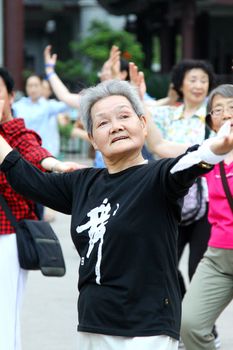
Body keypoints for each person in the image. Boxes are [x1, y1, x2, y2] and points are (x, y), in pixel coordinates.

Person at [0, 79, 232, 350]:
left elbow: (190, 162)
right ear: (92, 140)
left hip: (147, 330)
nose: (116, 126)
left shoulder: (158, 177)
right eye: (102, 123)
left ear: (143, 124)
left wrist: (216, 148)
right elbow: (25, 177)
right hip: (93, 325)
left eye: (124, 116)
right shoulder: (82, 183)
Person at [0, 67, 82, 350]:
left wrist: (58, 166)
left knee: (3, 315)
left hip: (6, 235)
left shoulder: (17, 133)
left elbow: (36, 154)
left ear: (11, 97)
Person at [147, 59, 215, 301]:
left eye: (204, 81)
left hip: (207, 204)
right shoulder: (167, 115)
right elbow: (142, 115)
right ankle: (182, 313)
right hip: (171, 200)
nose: (199, 85)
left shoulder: (215, 116)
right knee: (164, 264)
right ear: (180, 84)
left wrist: (170, 150)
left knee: (199, 269)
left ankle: (202, 328)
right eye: (193, 80)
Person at [181, 84, 233, 350]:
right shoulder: (207, 154)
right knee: (189, 325)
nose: (226, 114)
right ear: (211, 120)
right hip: (218, 258)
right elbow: (159, 146)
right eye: (219, 109)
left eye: (232, 108)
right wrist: (141, 100)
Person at [13, 74, 70, 157]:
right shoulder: (18, 106)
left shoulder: (48, 106)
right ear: (26, 87)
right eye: (30, 85)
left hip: (45, 154)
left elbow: (68, 102)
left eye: (36, 85)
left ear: (41, 87)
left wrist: (52, 76)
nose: (33, 89)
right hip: (24, 154)